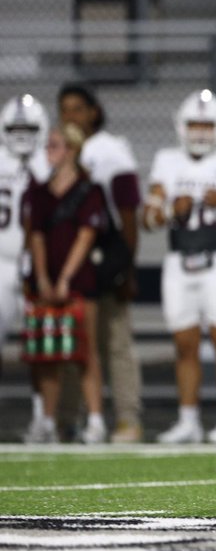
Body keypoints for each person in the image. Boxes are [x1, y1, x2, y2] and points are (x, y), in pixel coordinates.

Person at [144, 90, 216, 444]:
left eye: (207, 124)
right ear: (181, 125)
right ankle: (189, 419)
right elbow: (147, 219)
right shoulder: (166, 160)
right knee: (184, 343)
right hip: (179, 259)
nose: (200, 132)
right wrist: (167, 211)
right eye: (194, 123)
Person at [58, 83, 143, 443]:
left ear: (94, 111)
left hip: (104, 257)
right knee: (70, 345)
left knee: (116, 343)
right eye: (65, 109)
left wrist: (128, 266)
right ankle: (69, 420)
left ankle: (127, 419)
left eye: (78, 108)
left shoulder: (112, 151)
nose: (71, 116)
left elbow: (127, 214)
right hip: (67, 263)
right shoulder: (57, 148)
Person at [27, 124, 110, 444]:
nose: (50, 151)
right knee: (47, 353)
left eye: (56, 146)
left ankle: (96, 420)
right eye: (48, 146)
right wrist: (44, 278)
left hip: (79, 281)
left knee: (85, 351)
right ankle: (46, 419)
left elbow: (85, 237)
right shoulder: (39, 191)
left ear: (72, 150)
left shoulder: (89, 191)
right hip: (47, 282)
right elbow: (36, 236)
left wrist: (63, 279)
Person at [0, 96, 52, 442]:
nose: (22, 135)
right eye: (15, 128)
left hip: (38, 266)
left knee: (41, 348)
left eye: (28, 128)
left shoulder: (49, 162)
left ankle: (42, 417)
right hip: (1, 263)